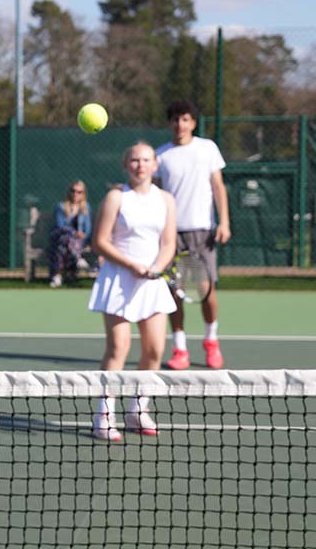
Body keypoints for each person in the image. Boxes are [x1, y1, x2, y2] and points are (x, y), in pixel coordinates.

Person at [88, 142, 177, 441]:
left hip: (151, 282)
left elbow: (168, 244)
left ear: (155, 165)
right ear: (126, 165)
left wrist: (156, 268)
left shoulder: (166, 199)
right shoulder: (115, 197)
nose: (140, 165)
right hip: (118, 280)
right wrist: (132, 265)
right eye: (134, 160)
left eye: (146, 160)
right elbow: (99, 242)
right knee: (119, 348)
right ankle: (104, 413)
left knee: (154, 350)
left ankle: (138, 409)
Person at [155, 100, 231, 370]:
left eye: (185, 119)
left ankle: (211, 341)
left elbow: (218, 187)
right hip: (170, 234)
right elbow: (155, 196)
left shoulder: (207, 148)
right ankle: (180, 348)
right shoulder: (160, 156)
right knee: (173, 293)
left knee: (206, 290)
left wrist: (224, 222)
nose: (180, 124)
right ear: (170, 123)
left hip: (203, 230)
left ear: (193, 123)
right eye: (175, 119)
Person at [47, 179, 92, 287]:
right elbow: (60, 226)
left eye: (79, 192)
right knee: (65, 238)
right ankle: (78, 258)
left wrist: (83, 235)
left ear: (83, 194)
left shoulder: (86, 208)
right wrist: (74, 232)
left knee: (63, 247)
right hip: (59, 237)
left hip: (77, 242)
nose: (75, 194)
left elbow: (88, 228)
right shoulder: (61, 206)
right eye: (73, 191)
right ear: (69, 192)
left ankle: (57, 275)